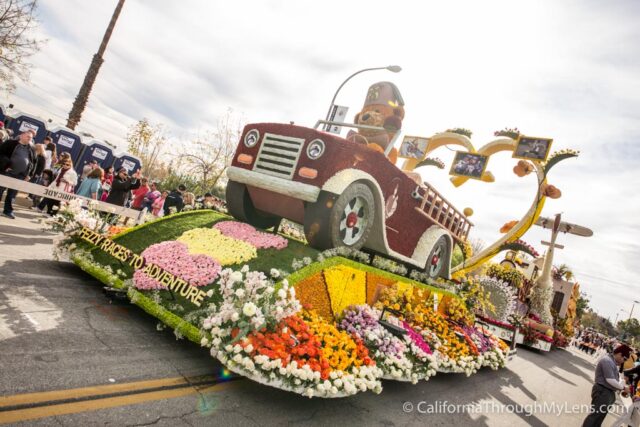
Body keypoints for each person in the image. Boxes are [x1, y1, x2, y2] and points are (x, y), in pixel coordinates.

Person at [582, 344, 632, 427]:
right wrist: (623, 387)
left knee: (599, 418)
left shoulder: (611, 361)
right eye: (624, 358)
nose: (624, 361)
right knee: (595, 417)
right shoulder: (607, 361)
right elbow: (610, 380)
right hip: (603, 391)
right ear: (619, 354)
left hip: (606, 392)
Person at [0, 131, 37, 219]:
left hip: (20, 175)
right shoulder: (10, 143)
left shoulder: (31, 148)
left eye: (31, 138)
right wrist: (5, 165)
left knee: (12, 194)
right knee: (0, 190)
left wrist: (30, 174)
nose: (29, 139)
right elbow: (1, 154)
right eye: (28, 136)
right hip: (7, 173)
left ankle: (8, 211)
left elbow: (34, 162)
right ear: (21, 136)